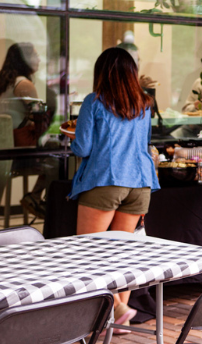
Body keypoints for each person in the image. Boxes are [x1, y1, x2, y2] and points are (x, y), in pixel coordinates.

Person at [67, 47, 160, 332]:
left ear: (102, 73)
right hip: (140, 182)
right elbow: (142, 143)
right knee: (121, 253)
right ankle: (117, 321)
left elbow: (83, 146)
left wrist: (70, 138)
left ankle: (117, 309)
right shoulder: (144, 103)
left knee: (90, 252)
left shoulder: (94, 102)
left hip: (107, 179)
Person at [0, 42, 55, 218]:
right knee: (60, 157)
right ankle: (36, 198)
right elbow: (40, 116)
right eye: (35, 55)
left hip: (5, 150)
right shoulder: (24, 84)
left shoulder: (6, 83)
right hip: (20, 154)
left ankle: (34, 197)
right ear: (24, 60)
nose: (39, 59)